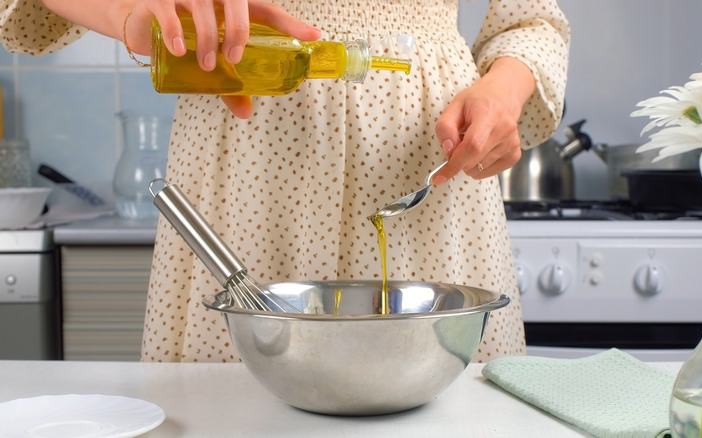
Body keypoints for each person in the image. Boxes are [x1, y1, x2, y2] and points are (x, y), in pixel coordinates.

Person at [1, 0, 569, 362]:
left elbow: (534, 22)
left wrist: (502, 92)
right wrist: (127, 10)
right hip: (244, 162)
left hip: (430, 169)